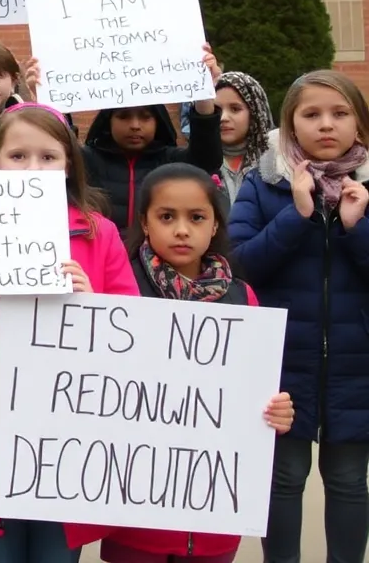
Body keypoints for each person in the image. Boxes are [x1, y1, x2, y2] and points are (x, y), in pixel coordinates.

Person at [0, 103, 139, 563]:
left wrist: (94, 307)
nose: (32, 169)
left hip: (69, 440)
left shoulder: (101, 236)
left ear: (68, 165)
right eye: (18, 156)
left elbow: (131, 344)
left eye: (47, 157)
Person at [100, 163, 293, 563]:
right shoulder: (121, 295)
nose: (182, 229)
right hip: (137, 517)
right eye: (167, 216)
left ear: (215, 225)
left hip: (214, 518)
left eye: (197, 217)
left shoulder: (243, 298)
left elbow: (252, 393)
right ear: (145, 223)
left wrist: (275, 412)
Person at [229, 70, 369, 563]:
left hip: (357, 367)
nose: (325, 125)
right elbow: (239, 266)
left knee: (351, 481)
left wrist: (355, 230)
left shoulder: (367, 190)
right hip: (281, 364)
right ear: (290, 126)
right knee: (283, 479)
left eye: (339, 113)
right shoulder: (263, 184)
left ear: (360, 125)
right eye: (311, 115)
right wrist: (298, 214)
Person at [82, 45, 223, 232]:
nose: (135, 125)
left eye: (145, 116)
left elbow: (207, 159)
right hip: (101, 257)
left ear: (158, 121)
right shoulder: (85, 161)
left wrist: (204, 92)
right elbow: (54, 145)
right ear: (108, 121)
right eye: (124, 116)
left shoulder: (172, 161)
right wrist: (41, 98)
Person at [213, 71, 273, 203]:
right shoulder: (198, 162)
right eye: (216, 110)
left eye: (235, 109)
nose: (223, 118)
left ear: (255, 112)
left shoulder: (276, 163)